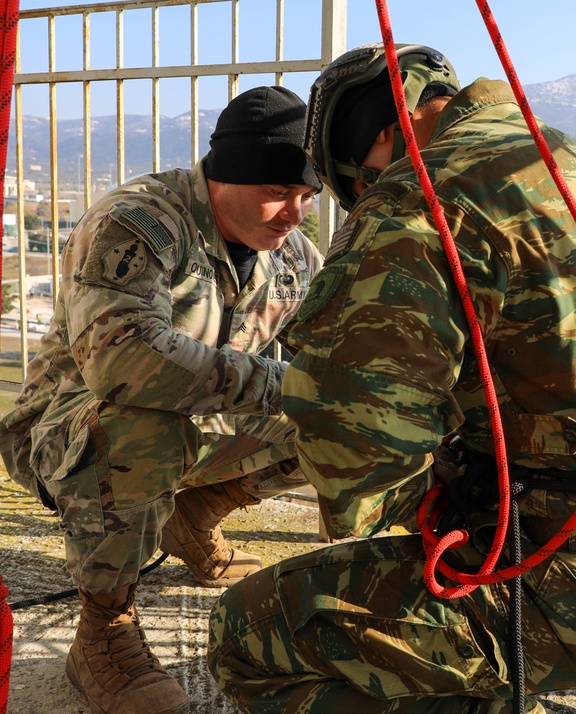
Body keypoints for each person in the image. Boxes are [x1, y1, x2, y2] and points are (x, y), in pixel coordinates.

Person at [207, 44, 576, 714]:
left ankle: (554, 662)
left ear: (380, 137)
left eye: (361, 184)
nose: (369, 198)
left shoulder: (423, 193)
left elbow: (356, 458)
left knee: (248, 635)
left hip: (549, 579)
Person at [0, 85, 324, 714]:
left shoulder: (291, 257)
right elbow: (124, 364)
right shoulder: (138, 221)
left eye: (308, 196)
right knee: (142, 420)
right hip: (70, 430)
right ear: (226, 177)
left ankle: (192, 516)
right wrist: (287, 387)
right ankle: (104, 632)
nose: (296, 213)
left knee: (338, 417)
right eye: (279, 192)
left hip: (191, 426)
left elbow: (328, 357)